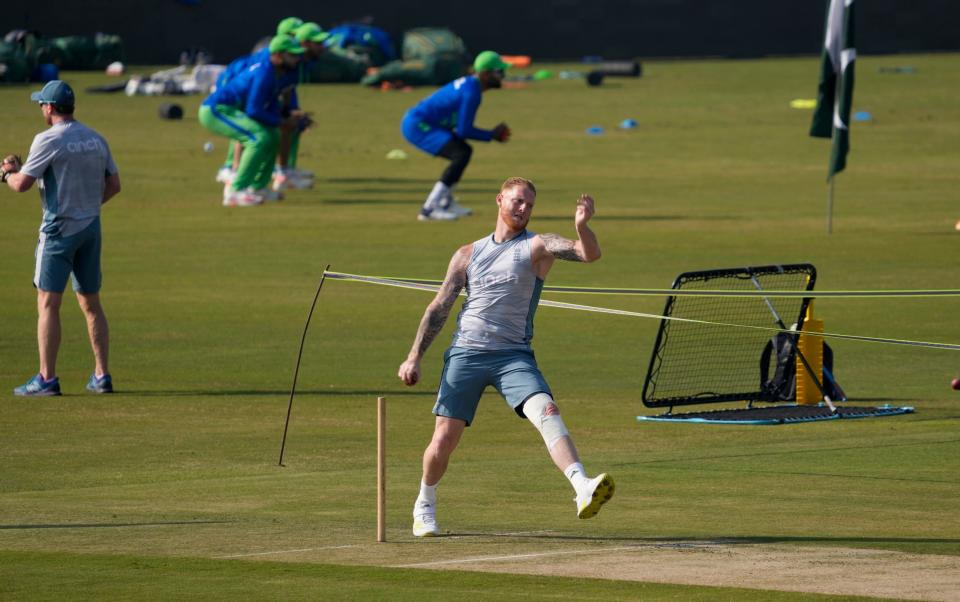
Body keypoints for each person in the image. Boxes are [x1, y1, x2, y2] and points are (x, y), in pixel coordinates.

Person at [397, 176, 614, 537]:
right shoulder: (468, 253)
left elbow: (588, 254)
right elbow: (441, 306)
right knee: (443, 440)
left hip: (513, 356)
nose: (524, 208)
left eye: (529, 204)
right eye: (517, 201)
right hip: (467, 353)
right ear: (500, 200)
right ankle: (425, 503)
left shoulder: (538, 246)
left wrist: (582, 226)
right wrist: (414, 357)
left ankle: (582, 486)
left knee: (546, 411)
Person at [1, 80, 121, 396]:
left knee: (48, 303)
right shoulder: (96, 138)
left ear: (51, 108)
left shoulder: (48, 139)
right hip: (90, 228)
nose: (41, 108)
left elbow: (22, 185)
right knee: (91, 302)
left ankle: (47, 378)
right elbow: (114, 184)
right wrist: (88, 207)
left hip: (58, 231)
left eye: (42, 104)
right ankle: (102, 375)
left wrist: (6, 172)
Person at [401, 50, 512, 221]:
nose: (502, 76)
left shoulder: (471, 86)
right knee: (460, 153)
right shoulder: (472, 92)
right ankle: (429, 209)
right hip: (418, 125)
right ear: (485, 73)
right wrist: (491, 135)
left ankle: (446, 203)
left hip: (423, 122)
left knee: (463, 151)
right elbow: (464, 130)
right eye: (499, 72)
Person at [199, 35, 303, 207]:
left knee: (274, 136)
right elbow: (254, 110)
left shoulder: (276, 73)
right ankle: (235, 191)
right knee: (258, 138)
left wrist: (287, 117)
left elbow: (267, 106)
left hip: (229, 110)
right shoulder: (265, 73)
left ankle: (258, 187)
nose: (296, 59)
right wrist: (282, 122)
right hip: (216, 110)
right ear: (277, 55)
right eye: (291, 55)